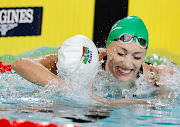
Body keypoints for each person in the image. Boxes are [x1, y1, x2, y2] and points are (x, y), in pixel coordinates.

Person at [12, 16, 174, 104]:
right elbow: (21, 64)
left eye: (137, 57)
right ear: (107, 47)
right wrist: (66, 88)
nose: (127, 63)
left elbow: (162, 104)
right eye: (121, 53)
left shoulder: (148, 76)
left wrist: (164, 89)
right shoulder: (87, 58)